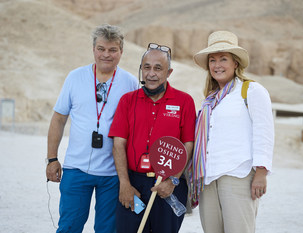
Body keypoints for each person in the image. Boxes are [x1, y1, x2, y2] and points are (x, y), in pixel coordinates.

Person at [45, 24, 139, 233]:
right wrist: (52, 159)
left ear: (121, 52)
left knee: (109, 230)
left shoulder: (130, 83)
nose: (106, 54)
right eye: (101, 48)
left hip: (113, 174)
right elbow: (59, 119)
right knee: (69, 226)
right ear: (93, 49)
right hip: (76, 170)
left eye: (113, 50)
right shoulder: (75, 77)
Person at [188, 31, 274, 233]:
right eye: (212, 60)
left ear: (235, 63)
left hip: (238, 175)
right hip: (208, 179)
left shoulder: (251, 90)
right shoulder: (210, 100)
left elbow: (264, 131)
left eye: (223, 59)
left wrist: (261, 172)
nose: (217, 65)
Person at [108, 43, 196, 233]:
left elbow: (188, 145)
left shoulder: (184, 101)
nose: (151, 73)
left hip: (169, 186)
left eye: (158, 68)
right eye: (146, 67)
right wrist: (124, 184)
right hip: (133, 184)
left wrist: (172, 181)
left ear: (169, 72)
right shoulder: (127, 100)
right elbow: (118, 144)